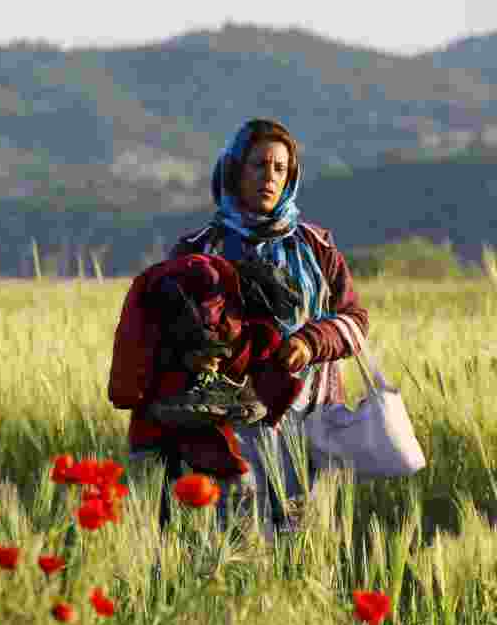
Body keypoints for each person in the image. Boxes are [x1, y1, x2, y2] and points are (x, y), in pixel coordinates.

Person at [110, 118, 368, 537]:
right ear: (234, 170)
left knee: (300, 543)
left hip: (306, 423)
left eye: (280, 169)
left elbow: (355, 320)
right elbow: (155, 335)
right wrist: (195, 354)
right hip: (226, 429)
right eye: (258, 166)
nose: (270, 178)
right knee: (237, 542)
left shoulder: (316, 247)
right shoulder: (197, 250)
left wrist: (310, 341)